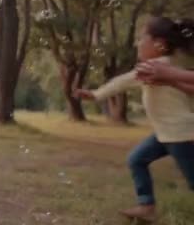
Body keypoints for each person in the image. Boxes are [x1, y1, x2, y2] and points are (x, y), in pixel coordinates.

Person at [73, 16, 194, 222]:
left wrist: (96, 94)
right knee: (136, 159)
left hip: (180, 134)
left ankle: (147, 206)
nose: (138, 43)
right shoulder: (170, 65)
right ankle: (146, 206)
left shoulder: (155, 66)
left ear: (160, 45)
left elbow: (122, 82)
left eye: (142, 38)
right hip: (166, 133)